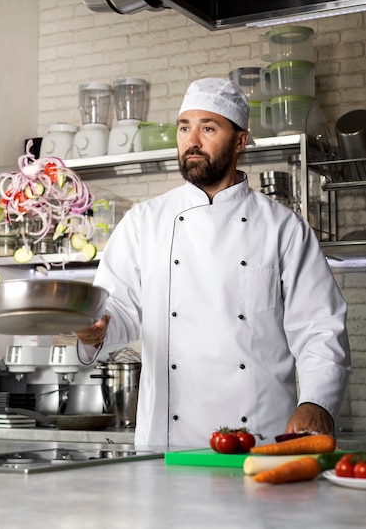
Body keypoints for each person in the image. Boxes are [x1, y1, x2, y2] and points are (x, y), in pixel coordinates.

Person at [75, 77, 351, 449]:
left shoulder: (284, 228)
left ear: (240, 141)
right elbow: (118, 312)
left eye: (208, 128)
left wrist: (317, 403)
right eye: (184, 128)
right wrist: (96, 332)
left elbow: (319, 327)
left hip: (259, 438)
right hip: (166, 443)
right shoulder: (145, 222)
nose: (192, 140)